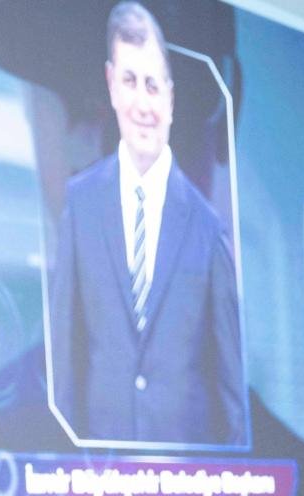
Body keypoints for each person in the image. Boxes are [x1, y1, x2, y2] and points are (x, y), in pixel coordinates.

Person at [48, 1, 247, 447]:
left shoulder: (207, 228)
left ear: (171, 100)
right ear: (111, 86)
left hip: (187, 480)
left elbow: (230, 393)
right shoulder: (81, 205)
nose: (142, 104)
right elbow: (65, 360)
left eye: (153, 86)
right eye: (130, 81)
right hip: (97, 478)